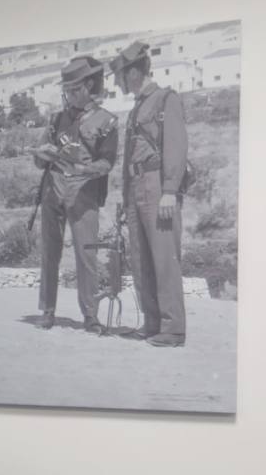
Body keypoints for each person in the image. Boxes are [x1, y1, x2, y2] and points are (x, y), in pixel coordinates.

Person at [29, 55, 118, 332]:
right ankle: (47, 310)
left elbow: (107, 163)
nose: (69, 95)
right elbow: (38, 160)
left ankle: (90, 316)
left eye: (74, 89)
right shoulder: (57, 120)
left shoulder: (107, 121)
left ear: (90, 85)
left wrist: (82, 167)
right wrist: (44, 155)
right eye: (66, 90)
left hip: (84, 194)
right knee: (49, 254)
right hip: (53, 191)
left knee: (86, 255)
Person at [111, 41, 189, 347]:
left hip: (158, 186)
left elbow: (176, 146)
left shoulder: (165, 99)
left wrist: (170, 190)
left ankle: (173, 329)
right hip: (136, 187)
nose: (117, 82)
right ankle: (152, 321)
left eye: (119, 75)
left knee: (164, 259)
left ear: (132, 73)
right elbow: (130, 154)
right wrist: (125, 194)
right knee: (141, 258)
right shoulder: (137, 108)